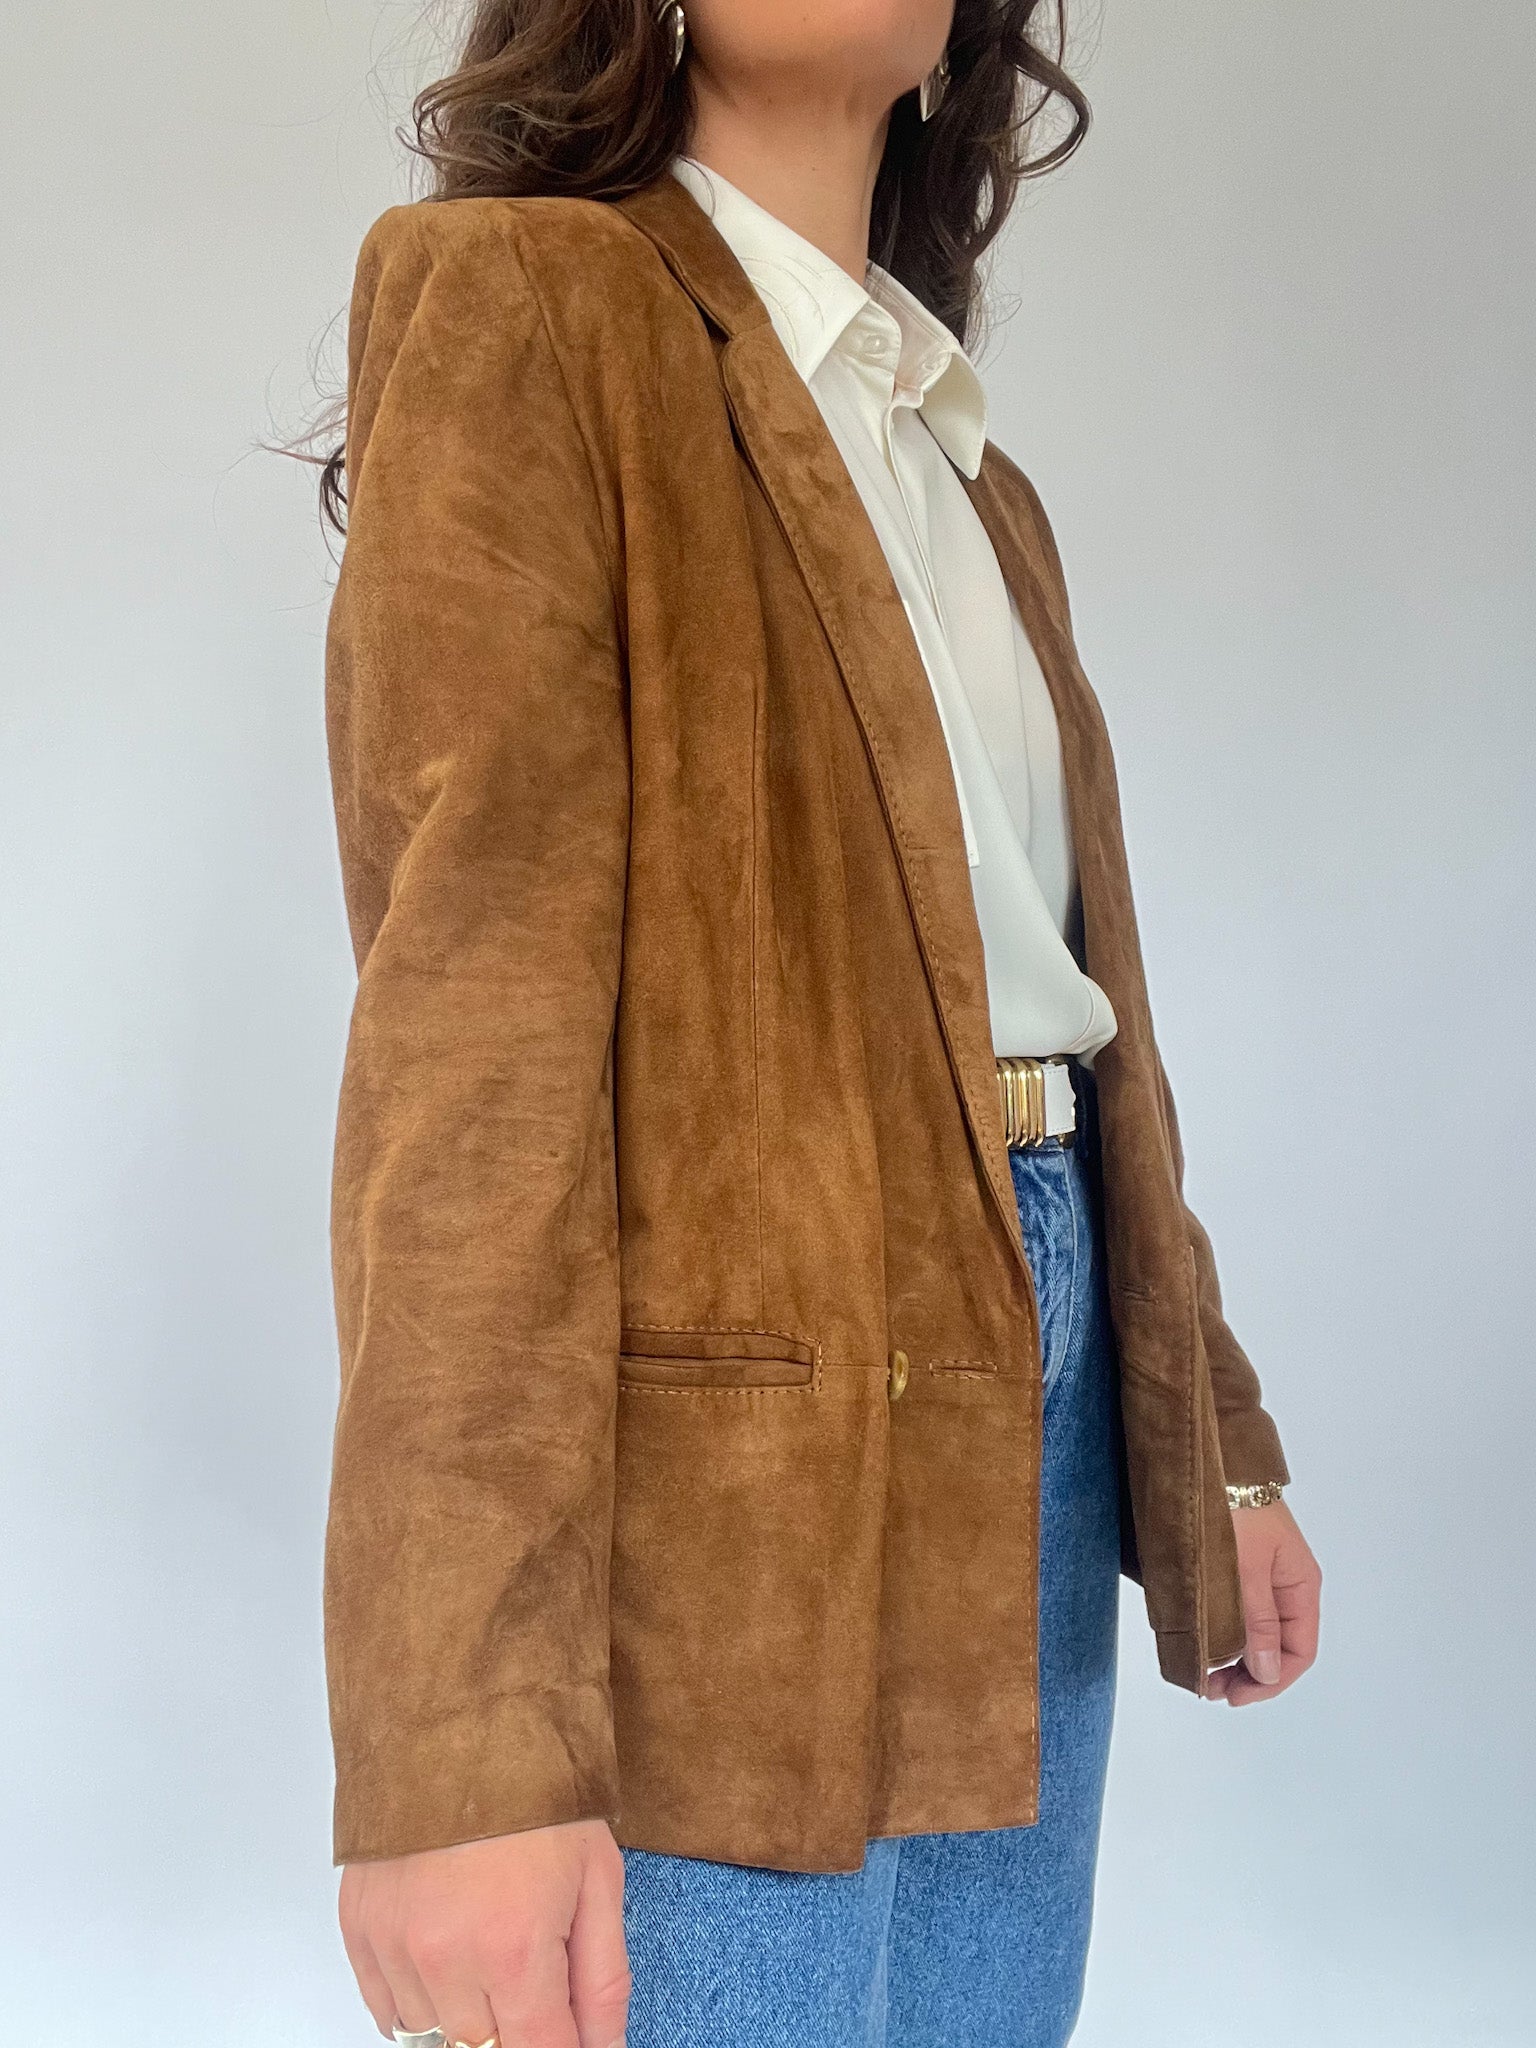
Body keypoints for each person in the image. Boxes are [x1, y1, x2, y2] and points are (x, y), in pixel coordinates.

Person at [313, 3, 1323, 2044]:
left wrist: (1211, 1438)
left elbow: (1071, 1008)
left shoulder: (971, 473)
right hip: (727, 1492)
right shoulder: (531, 303)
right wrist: (460, 1744)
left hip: (1033, 1404)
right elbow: (471, 1055)